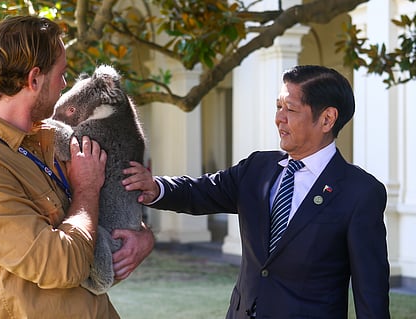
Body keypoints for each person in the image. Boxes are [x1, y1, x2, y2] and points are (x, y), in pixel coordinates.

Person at [123, 65, 390, 318]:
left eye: (291, 109)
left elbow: (371, 296)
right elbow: (199, 191)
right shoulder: (258, 168)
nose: (279, 118)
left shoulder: (360, 193)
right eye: (278, 107)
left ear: (327, 119)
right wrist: (156, 187)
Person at [0, 16, 154, 319]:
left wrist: (142, 236)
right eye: (61, 74)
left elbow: (104, 207)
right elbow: (61, 266)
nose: (65, 85)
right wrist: (87, 188)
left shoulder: (51, 137)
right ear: (34, 79)